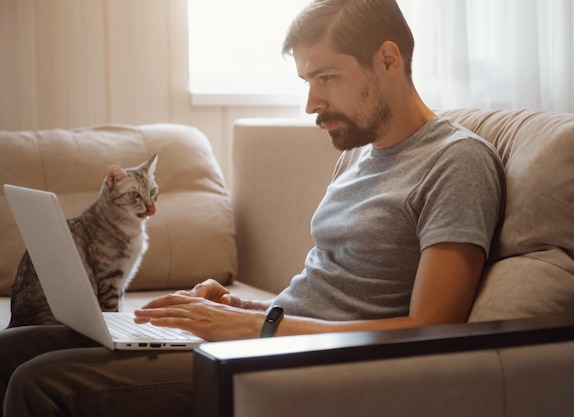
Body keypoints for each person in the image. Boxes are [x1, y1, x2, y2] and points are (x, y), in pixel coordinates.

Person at [0, 0, 505, 416]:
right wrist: (241, 308)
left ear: (389, 60)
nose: (311, 104)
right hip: (268, 338)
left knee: (39, 384)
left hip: (304, 368)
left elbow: (434, 329)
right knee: (13, 349)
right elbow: (331, 292)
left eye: (325, 77)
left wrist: (256, 328)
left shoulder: (456, 162)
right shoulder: (358, 152)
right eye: (308, 81)